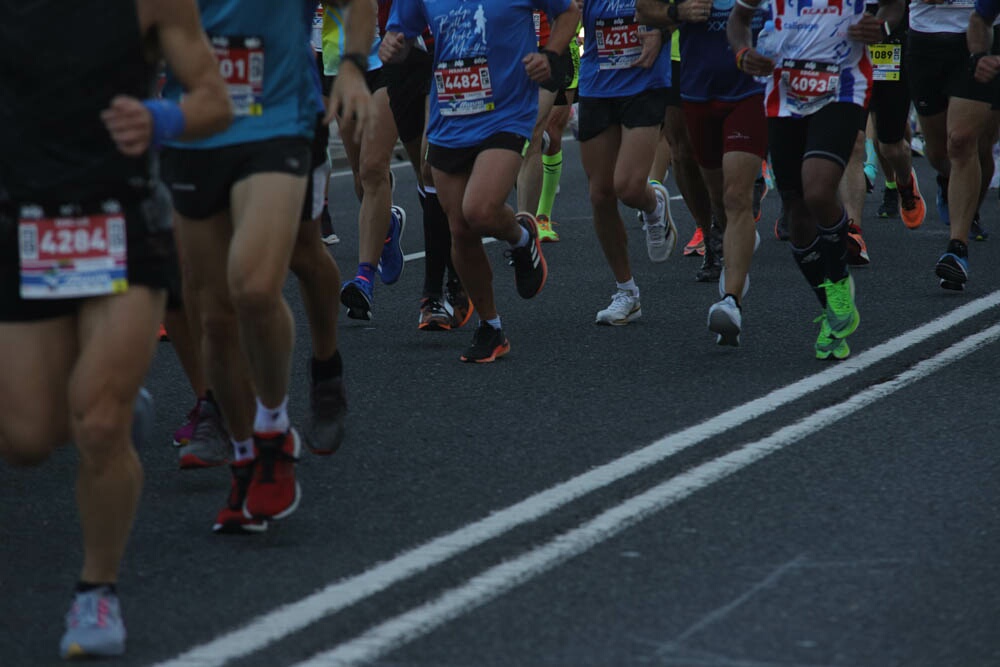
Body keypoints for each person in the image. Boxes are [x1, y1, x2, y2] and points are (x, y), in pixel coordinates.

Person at [0, 0, 231, 658]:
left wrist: (161, 117)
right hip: (22, 225)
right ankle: (103, 400)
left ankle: (95, 590)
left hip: (121, 224)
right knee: (24, 440)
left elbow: (214, 100)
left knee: (98, 422)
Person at [160, 0, 374, 531]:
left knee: (261, 283)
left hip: (279, 120)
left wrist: (350, 64)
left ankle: (284, 417)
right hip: (193, 129)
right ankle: (243, 458)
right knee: (213, 312)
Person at [382, 0, 580, 362]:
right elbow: (401, 33)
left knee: (480, 209)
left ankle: (521, 237)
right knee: (460, 228)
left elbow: (568, 11)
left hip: (506, 112)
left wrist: (550, 54)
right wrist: (393, 45)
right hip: (451, 117)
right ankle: (491, 326)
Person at [729, 0, 904, 359]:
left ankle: (838, 277)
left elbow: (894, 5)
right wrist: (743, 52)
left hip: (841, 86)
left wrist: (882, 28)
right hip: (784, 95)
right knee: (795, 210)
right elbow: (739, 18)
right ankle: (831, 308)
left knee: (818, 188)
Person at [639, 0, 769, 346]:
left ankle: (731, 300)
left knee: (735, 196)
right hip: (696, 89)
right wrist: (675, 13)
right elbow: (642, 8)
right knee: (717, 198)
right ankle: (734, 246)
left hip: (749, 89)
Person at [578, 0, 676, 327]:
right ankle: (626, 292)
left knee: (630, 187)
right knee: (600, 194)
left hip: (644, 80)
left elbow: (688, 9)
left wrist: (663, 30)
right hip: (597, 81)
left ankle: (654, 203)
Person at [907, 0, 998, 290]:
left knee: (962, 141)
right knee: (938, 152)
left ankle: (957, 248)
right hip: (926, 38)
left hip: (983, 31)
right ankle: (952, 186)